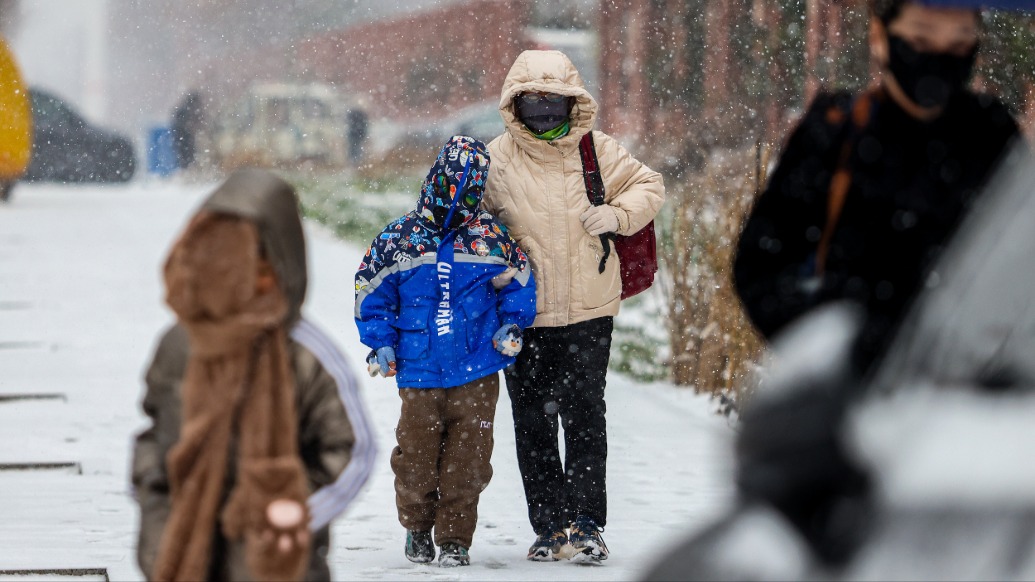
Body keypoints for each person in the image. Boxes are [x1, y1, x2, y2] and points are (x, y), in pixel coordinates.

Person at [733, 0, 1021, 374]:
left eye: (960, 44)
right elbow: (760, 268)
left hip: (965, 392)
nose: (940, 58)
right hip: (853, 391)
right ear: (880, 37)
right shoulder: (835, 132)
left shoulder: (993, 135)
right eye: (920, 40)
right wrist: (834, 347)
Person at [132, 168, 376, 581]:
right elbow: (154, 430)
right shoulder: (180, 344)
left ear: (278, 262)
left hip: (278, 563)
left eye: (246, 254)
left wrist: (296, 512)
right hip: (187, 552)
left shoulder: (303, 353)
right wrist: (156, 501)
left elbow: (352, 449)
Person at [480, 50, 665, 562]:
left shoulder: (597, 149)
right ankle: (549, 527)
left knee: (585, 416)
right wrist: (492, 260)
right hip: (523, 315)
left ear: (572, 103)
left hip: (590, 310)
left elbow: (649, 185)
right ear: (514, 104)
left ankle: (586, 524)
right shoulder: (495, 160)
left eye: (553, 101)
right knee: (532, 422)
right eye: (533, 101)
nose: (543, 111)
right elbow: (470, 224)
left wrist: (617, 216)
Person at [354, 135, 536, 567]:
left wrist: (511, 323)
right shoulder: (399, 238)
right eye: (452, 184)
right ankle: (417, 526)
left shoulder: (489, 237)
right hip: (418, 368)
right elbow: (370, 292)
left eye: (471, 189)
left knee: (468, 460)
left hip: (476, 368)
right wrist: (380, 342)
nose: (458, 198)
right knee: (416, 457)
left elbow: (520, 278)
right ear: (434, 179)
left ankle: (455, 539)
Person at [171, 91, 204, 171]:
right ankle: (188, 169)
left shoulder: (184, 110)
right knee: (187, 155)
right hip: (183, 137)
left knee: (184, 156)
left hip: (181, 137)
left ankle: (187, 168)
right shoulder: (188, 111)